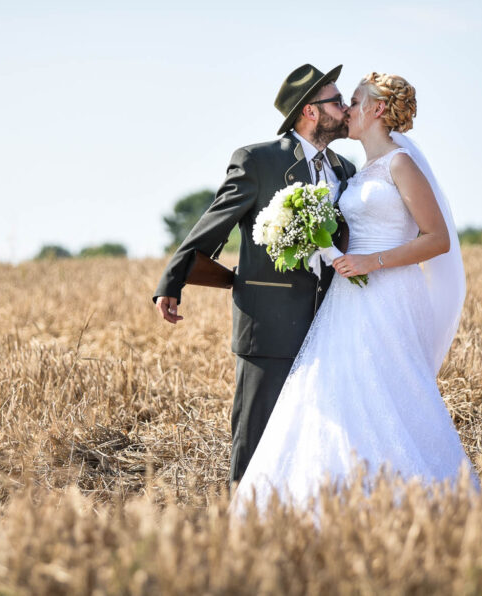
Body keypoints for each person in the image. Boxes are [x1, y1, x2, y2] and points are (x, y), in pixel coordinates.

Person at [232, 72, 478, 511]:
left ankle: (408, 498)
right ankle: (335, 497)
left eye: (354, 100)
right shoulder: (356, 171)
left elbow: (437, 238)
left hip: (388, 293)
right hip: (346, 299)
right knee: (336, 390)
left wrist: (371, 262)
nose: (345, 109)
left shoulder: (401, 164)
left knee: (389, 390)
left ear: (377, 109)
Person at [153, 64, 357, 484]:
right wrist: (172, 280)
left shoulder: (346, 170)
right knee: (255, 436)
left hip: (331, 323)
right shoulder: (259, 160)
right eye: (337, 101)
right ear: (311, 111)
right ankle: (241, 515)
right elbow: (215, 222)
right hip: (268, 322)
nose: (346, 108)